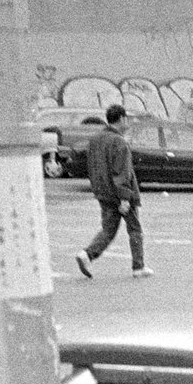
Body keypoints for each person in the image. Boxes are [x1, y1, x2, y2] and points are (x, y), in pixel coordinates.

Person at [76, 104, 153, 279]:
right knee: (134, 228)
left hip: (103, 193)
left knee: (108, 229)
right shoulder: (119, 142)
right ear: (122, 119)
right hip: (121, 194)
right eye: (127, 119)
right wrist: (125, 198)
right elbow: (122, 172)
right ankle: (138, 267)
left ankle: (87, 254)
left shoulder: (96, 140)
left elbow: (92, 167)